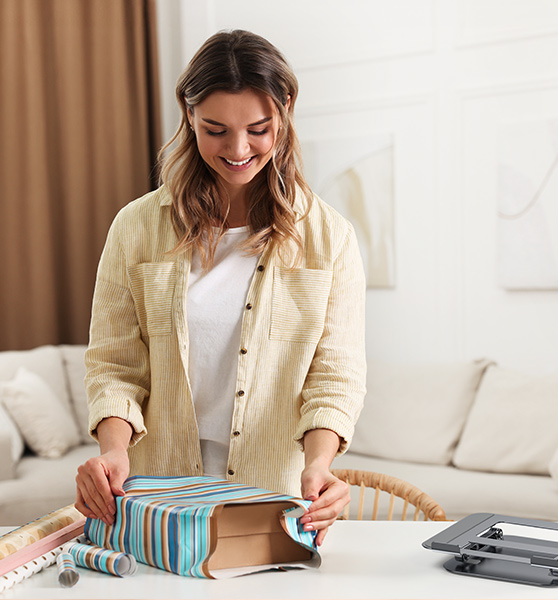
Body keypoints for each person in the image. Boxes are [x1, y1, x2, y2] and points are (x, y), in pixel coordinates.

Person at [74, 29, 365, 546]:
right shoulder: (136, 228)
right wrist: (113, 449)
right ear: (188, 115)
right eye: (215, 130)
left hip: (270, 504)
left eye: (258, 128)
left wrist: (320, 463)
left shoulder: (329, 239)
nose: (238, 150)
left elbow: (334, 376)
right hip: (153, 499)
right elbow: (115, 365)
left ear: (286, 110)